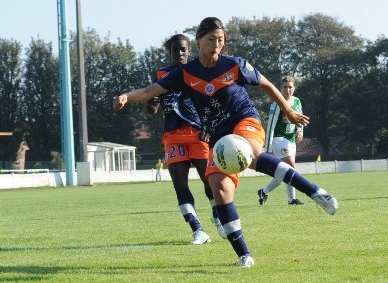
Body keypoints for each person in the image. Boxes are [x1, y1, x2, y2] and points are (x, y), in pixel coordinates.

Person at [113, 17, 339, 268]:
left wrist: (287, 111)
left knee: (251, 153)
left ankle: (315, 192)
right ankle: (244, 256)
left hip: (245, 121)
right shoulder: (184, 74)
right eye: (211, 40)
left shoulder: (236, 65)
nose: (216, 45)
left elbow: (266, 84)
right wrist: (125, 96)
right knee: (219, 190)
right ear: (199, 39)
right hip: (219, 137)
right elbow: (148, 92)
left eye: (220, 40)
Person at [145, 34, 226, 244]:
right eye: (175, 50)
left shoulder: (198, 71)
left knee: (209, 182)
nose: (179, 53)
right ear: (169, 52)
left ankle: (218, 216)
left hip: (199, 133)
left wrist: (209, 126)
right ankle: (197, 230)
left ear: (190, 50)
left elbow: (212, 102)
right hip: (173, 136)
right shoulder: (162, 75)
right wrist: (151, 102)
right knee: (180, 185)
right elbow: (152, 109)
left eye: (183, 49)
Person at [258, 76, 305, 205]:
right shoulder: (277, 103)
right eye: (285, 87)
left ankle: (264, 191)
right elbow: (271, 125)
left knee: (282, 173)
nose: (288, 89)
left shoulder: (297, 102)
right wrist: (267, 148)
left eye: (290, 87)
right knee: (291, 167)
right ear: (281, 88)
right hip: (279, 139)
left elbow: (300, 119)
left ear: (294, 88)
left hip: (291, 139)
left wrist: (300, 131)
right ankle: (292, 199)